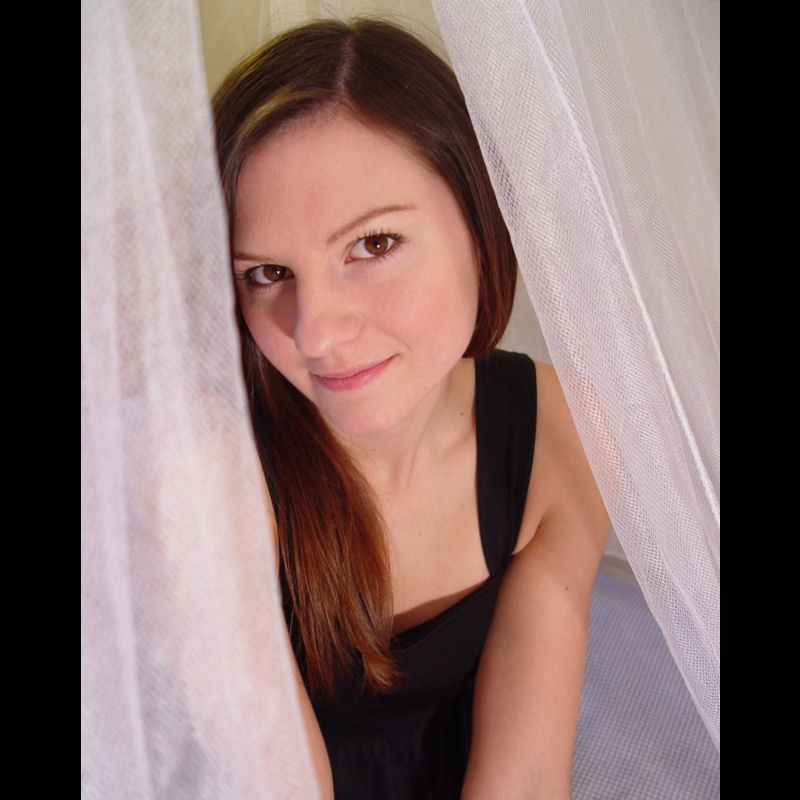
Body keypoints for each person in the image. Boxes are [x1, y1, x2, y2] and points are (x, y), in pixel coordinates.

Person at [212, 18, 610, 800]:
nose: (316, 333)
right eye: (267, 273)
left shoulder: (562, 429)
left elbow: (526, 780)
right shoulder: (210, 470)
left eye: (373, 245)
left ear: (480, 221)